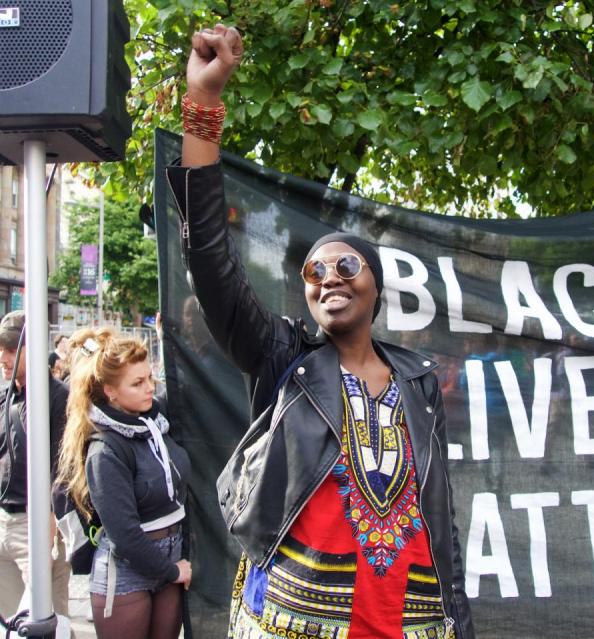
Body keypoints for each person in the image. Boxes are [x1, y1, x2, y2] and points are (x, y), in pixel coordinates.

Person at [166, 24, 473, 639]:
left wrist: (457, 616)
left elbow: (438, 511)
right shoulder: (284, 358)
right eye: (314, 270)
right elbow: (212, 266)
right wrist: (203, 110)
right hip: (295, 617)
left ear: (377, 288)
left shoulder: (415, 379)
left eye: (347, 266)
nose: (329, 277)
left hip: (407, 617)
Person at [56, 328, 192, 639]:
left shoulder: (154, 423)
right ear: (110, 392)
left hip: (170, 556)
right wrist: (172, 571)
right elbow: (124, 535)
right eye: (138, 383)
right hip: (127, 569)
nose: (150, 388)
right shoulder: (105, 449)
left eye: (149, 378)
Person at [0, 311, 72, 621]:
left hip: (39, 523)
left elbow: (63, 467)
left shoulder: (58, 398)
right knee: (11, 622)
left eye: (12, 349)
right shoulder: (5, 397)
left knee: (48, 621)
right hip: (5, 519)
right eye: (2, 348)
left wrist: (51, 524)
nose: (3, 356)